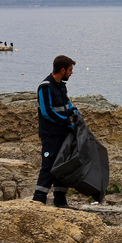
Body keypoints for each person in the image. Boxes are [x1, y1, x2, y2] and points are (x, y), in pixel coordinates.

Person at [32, 55, 79, 207]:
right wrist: (66, 122)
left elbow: (66, 103)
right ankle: (38, 200)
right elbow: (47, 112)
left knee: (63, 166)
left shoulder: (61, 85)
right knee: (48, 166)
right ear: (62, 70)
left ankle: (60, 200)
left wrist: (72, 110)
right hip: (51, 135)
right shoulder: (45, 87)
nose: (72, 73)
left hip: (64, 134)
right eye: (70, 70)